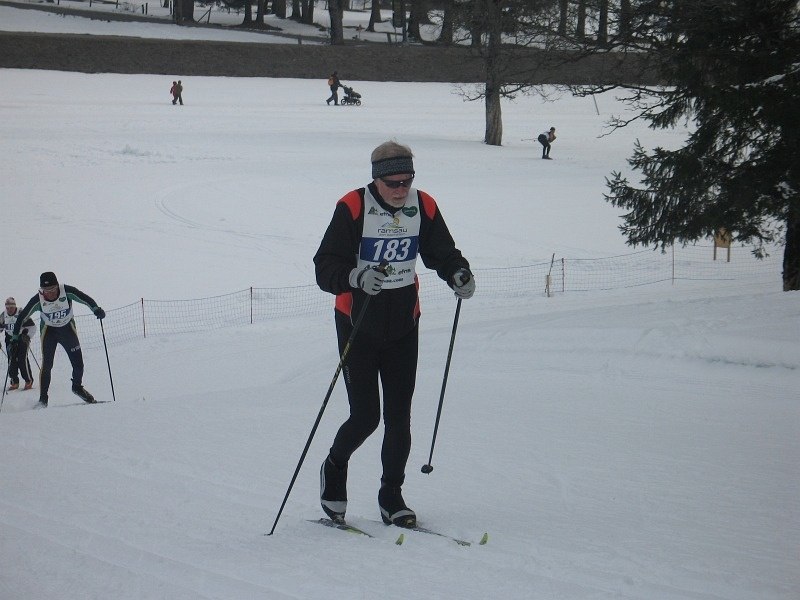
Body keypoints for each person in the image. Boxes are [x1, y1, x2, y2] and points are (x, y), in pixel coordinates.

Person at [313, 140, 475, 528]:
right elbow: (325, 266)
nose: (401, 190)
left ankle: (392, 495)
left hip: (404, 323)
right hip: (357, 322)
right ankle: (334, 467)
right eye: (393, 183)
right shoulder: (353, 207)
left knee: (399, 416)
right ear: (377, 180)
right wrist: (355, 277)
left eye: (407, 181)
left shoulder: (424, 205)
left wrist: (458, 273)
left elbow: (442, 252)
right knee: (366, 416)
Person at [10, 272, 105, 407]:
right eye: (46, 290)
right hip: (49, 332)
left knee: (78, 364)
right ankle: (43, 399)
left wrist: (96, 309)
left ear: (57, 286)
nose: (50, 293)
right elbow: (22, 317)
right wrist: (14, 338)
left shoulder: (67, 291)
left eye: (53, 289)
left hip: (67, 331)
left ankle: (77, 387)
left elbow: (84, 298)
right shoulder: (38, 299)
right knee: (47, 365)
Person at [1, 297, 35, 391]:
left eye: (11, 307)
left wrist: (27, 336)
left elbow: (33, 327)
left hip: (22, 338)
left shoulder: (21, 313)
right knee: (11, 359)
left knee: (22, 359)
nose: (9, 309)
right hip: (10, 339)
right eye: (7, 307)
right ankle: (14, 382)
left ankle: (28, 380)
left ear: (15, 306)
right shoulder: (3, 315)